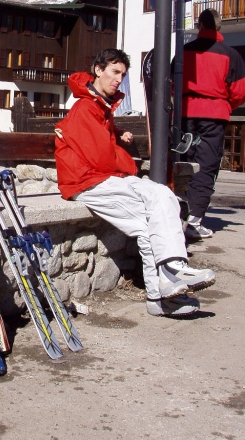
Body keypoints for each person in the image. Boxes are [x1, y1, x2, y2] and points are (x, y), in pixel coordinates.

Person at [54, 48, 216, 317]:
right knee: (160, 194)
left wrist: (117, 133)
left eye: (123, 74)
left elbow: (101, 141)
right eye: (114, 72)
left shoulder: (98, 105)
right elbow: (102, 158)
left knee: (147, 225)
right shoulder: (85, 107)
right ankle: (173, 270)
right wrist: (128, 162)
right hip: (86, 182)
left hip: (94, 178)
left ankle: (159, 296)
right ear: (98, 70)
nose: (119, 79)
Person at [180, 8, 245, 240]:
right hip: (214, 114)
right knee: (206, 166)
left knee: (183, 163)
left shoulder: (183, 51)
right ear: (219, 28)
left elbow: (170, 83)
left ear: (199, 26)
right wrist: (225, 105)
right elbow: (239, 92)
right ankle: (195, 220)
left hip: (186, 113)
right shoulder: (231, 55)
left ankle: (178, 215)